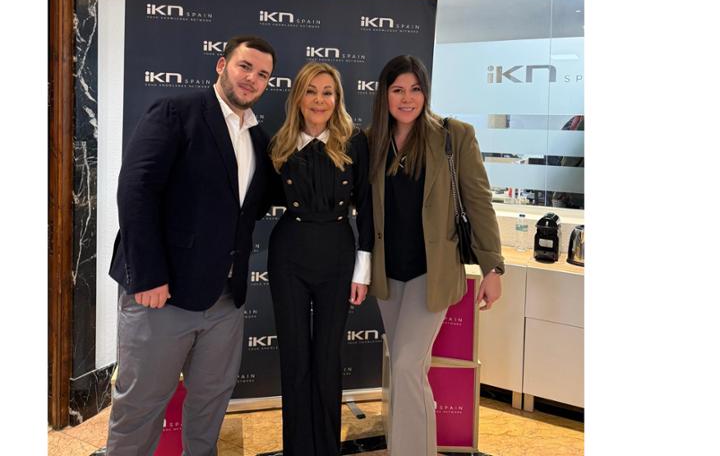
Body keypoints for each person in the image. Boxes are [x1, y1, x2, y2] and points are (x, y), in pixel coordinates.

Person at [106, 35, 277, 455]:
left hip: (225, 301)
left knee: (210, 404)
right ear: (222, 65)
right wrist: (148, 275)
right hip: (161, 296)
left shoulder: (259, 138)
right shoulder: (175, 112)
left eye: (262, 74)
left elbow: (249, 209)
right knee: (141, 405)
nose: (252, 78)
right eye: (244, 66)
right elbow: (136, 191)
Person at [366, 55, 505, 456]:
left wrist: (493, 267)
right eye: (397, 90)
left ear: (426, 92)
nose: (407, 98)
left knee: (407, 366)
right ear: (385, 95)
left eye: (415, 89)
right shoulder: (372, 140)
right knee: (408, 371)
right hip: (388, 274)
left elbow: (478, 201)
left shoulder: (453, 136)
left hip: (433, 273)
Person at [267, 62, 373, 455]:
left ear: (337, 98)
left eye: (327, 92)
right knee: (295, 359)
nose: (319, 100)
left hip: (338, 257)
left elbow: (368, 208)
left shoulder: (354, 143)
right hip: (288, 257)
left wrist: (363, 270)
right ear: (298, 97)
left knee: (328, 359)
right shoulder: (279, 143)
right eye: (311, 91)